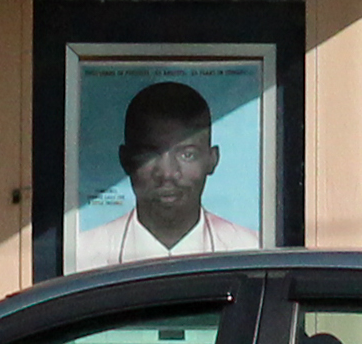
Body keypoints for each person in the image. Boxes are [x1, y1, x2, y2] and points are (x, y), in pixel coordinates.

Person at [86, 78, 262, 261]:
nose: (167, 173)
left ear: (212, 159)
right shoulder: (87, 254)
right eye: (149, 155)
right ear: (125, 160)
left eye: (187, 155)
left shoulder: (250, 251)